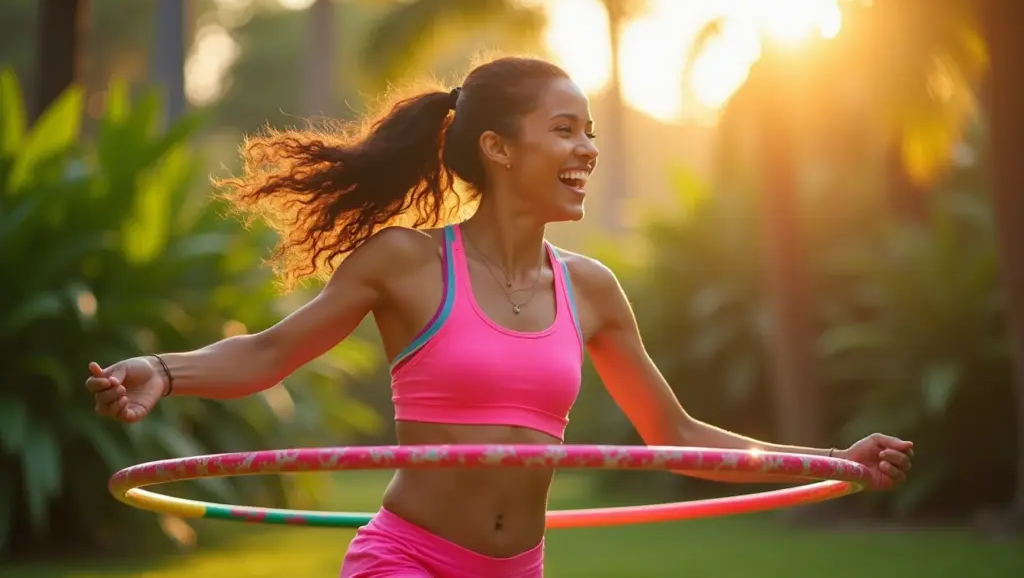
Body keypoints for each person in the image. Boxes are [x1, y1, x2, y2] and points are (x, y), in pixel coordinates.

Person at [85, 55, 914, 578]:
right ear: (498, 147)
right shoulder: (408, 263)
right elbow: (268, 354)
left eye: (590, 132)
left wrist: (831, 459)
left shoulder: (591, 289)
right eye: (564, 130)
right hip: (404, 559)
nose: (588, 148)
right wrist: (163, 370)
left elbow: (676, 430)